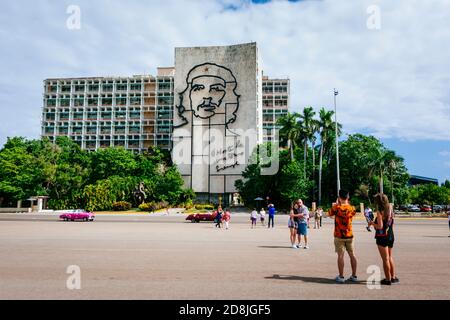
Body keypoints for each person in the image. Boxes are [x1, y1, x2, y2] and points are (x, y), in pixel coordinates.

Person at [328, 189, 358, 284]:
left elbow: (329, 214)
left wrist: (337, 204)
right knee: (352, 255)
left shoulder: (336, 207)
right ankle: (354, 275)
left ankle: (341, 276)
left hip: (339, 235)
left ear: (339, 197)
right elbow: (351, 213)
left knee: (340, 256)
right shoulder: (352, 208)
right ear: (348, 197)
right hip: (349, 235)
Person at [368, 193, 399, 285]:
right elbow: (389, 222)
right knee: (390, 257)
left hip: (382, 237)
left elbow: (380, 226)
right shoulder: (390, 208)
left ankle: (387, 279)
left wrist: (372, 223)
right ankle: (393, 277)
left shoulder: (380, 211)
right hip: (390, 235)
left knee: (385, 259)